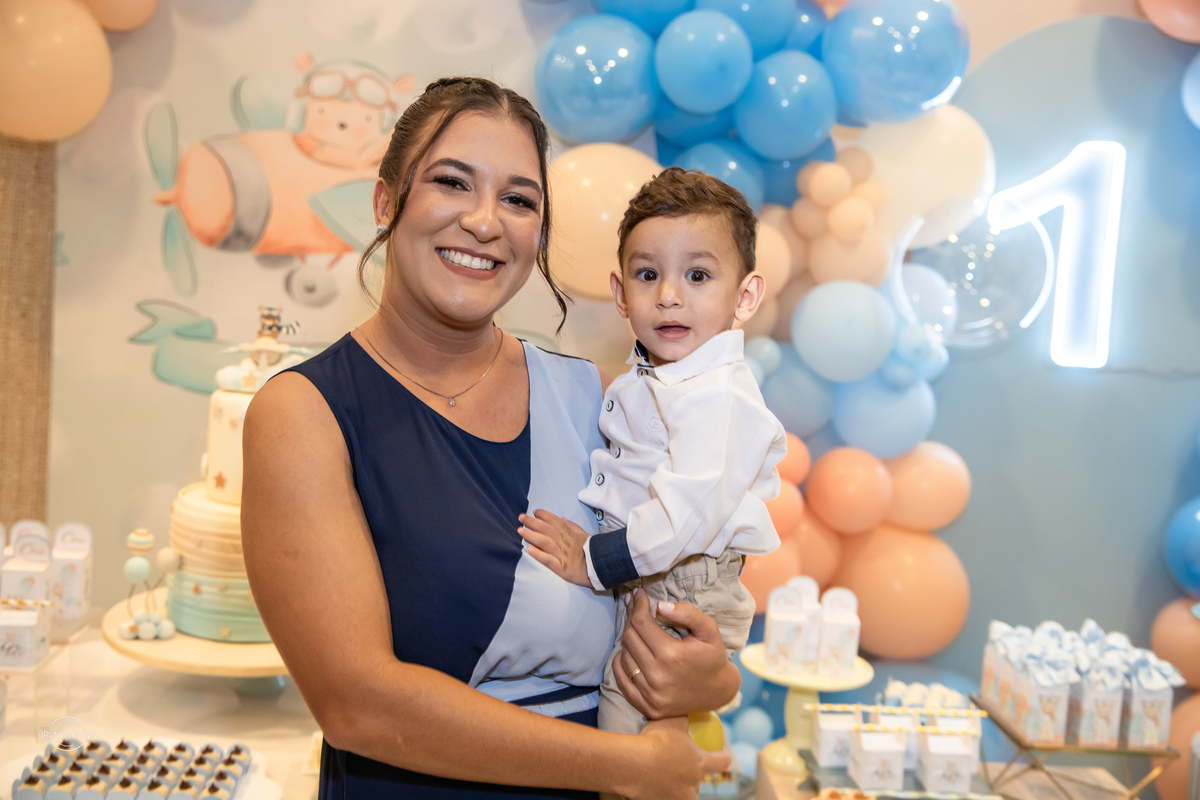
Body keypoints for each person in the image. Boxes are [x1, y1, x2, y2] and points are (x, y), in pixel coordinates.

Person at [241, 77, 739, 800]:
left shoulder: (597, 400)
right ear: (385, 202)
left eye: (519, 200)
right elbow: (357, 705)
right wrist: (627, 767)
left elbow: (671, 604)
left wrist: (709, 674)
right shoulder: (306, 413)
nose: (484, 222)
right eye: (452, 183)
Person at [518, 168, 788, 736]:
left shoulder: (719, 395)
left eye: (697, 275)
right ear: (621, 294)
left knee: (627, 723)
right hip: (648, 569)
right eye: (648, 275)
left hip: (679, 581)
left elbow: (684, 516)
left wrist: (592, 560)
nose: (668, 296)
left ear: (745, 296)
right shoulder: (659, 378)